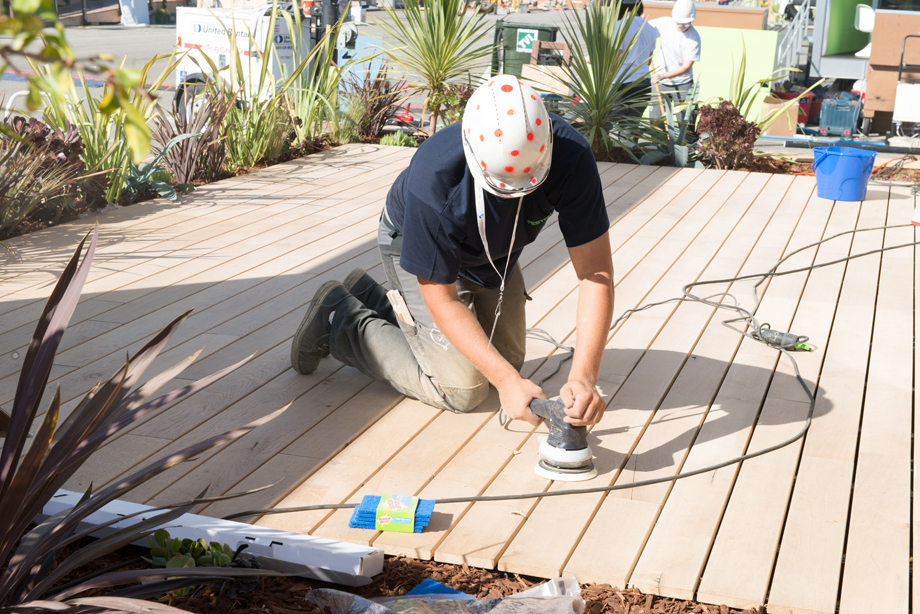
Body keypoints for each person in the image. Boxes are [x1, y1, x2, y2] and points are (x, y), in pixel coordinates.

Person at [289, 75, 615, 427]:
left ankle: (370, 296)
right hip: (411, 245)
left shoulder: (571, 156)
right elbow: (441, 298)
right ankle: (340, 316)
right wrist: (506, 382)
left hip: (495, 253)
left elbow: (595, 273)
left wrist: (584, 376)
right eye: (503, 189)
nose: (515, 197)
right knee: (464, 388)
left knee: (507, 358)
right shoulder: (434, 178)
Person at [649, 0, 701, 118]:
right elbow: (645, 31)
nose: (683, 26)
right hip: (660, 83)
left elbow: (686, 67)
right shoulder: (664, 23)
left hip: (683, 83)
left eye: (687, 23)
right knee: (656, 122)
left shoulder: (694, 37)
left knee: (686, 125)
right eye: (679, 23)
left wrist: (663, 75)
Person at [614, 0, 658, 121]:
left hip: (621, 85)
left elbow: (614, 60)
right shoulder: (651, 29)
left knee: (603, 127)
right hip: (643, 84)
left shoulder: (619, 26)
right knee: (630, 129)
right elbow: (648, 61)